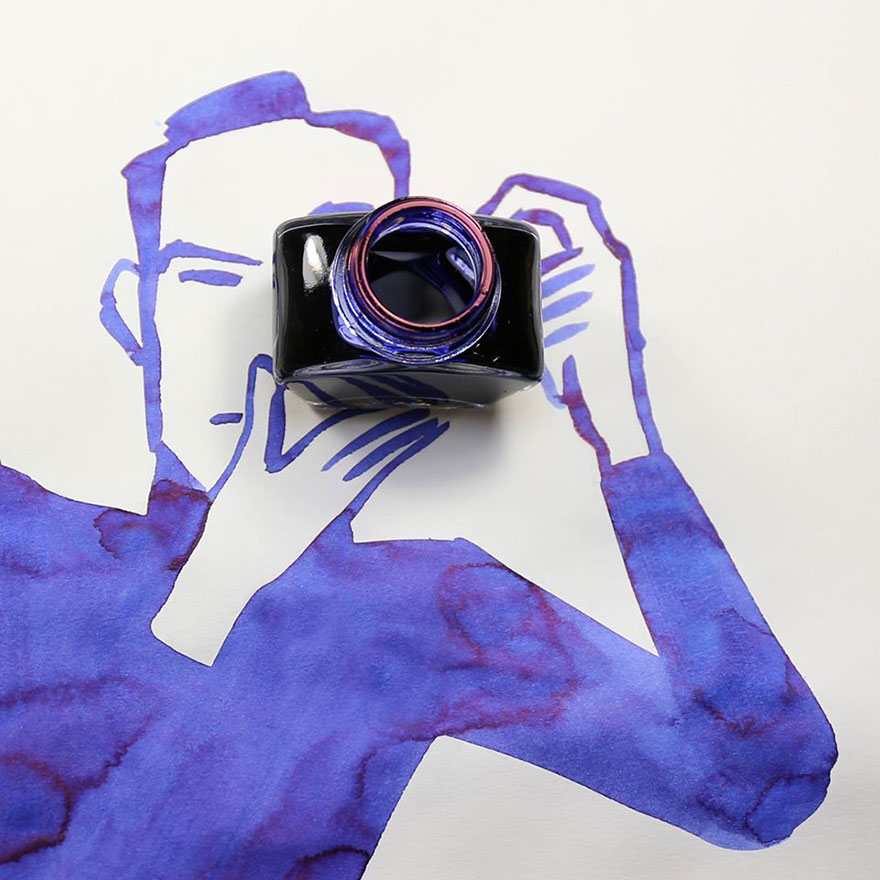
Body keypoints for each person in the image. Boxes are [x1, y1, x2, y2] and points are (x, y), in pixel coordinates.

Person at [0, 72, 835, 879]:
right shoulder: (19, 535)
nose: (276, 347)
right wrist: (223, 576)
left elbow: (758, 787)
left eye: (326, 292)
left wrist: (626, 445)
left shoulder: (419, 608)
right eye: (212, 278)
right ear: (133, 309)